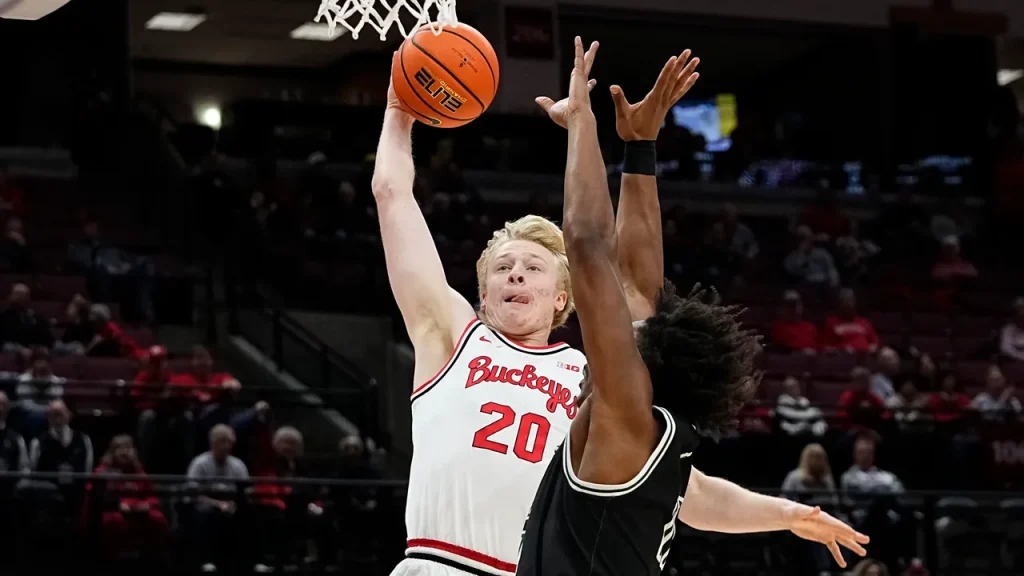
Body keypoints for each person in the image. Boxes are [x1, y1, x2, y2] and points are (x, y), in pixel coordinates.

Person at [517, 38, 868, 576]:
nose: (627, 316)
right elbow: (704, 501)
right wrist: (640, 148)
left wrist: (583, 124)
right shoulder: (664, 438)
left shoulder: (626, 417)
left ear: (644, 365)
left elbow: (587, 244)